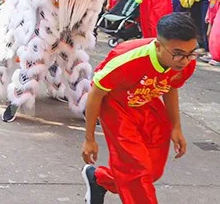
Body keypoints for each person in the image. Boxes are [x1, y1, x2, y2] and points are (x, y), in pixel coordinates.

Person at [81, 13, 199, 204]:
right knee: (136, 171)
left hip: (148, 103)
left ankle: (100, 179)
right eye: (178, 53)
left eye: (191, 53)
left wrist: (176, 126)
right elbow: (96, 93)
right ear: (158, 46)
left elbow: (170, 87)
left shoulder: (185, 61)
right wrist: (89, 138)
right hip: (116, 107)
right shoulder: (126, 59)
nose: (185, 60)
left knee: (152, 170)